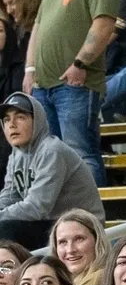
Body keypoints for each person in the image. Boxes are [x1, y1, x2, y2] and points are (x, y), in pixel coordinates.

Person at [22, 0, 118, 184]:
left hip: (76, 83)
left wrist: (80, 63)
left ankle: (92, 220)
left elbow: (103, 25)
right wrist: (30, 70)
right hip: (42, 84)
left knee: (81, 153)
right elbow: (38, 30)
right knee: (49, 158)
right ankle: (64, 221)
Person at [0, 92, 103, 249]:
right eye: (6, 120)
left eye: (20, 117)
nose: (12, 124)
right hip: (50, 224)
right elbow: (9, 197)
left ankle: (6, 271)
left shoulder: (51, 151)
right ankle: (6, 272)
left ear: (37, 121)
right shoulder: (16, 155)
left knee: (6, 230)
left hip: (82, 226)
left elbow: (37, 207)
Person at [49, 209, 109, 285]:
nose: (70, 250)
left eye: (79, 239)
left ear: (97, 240)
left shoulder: (98, 279)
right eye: (63, 242)